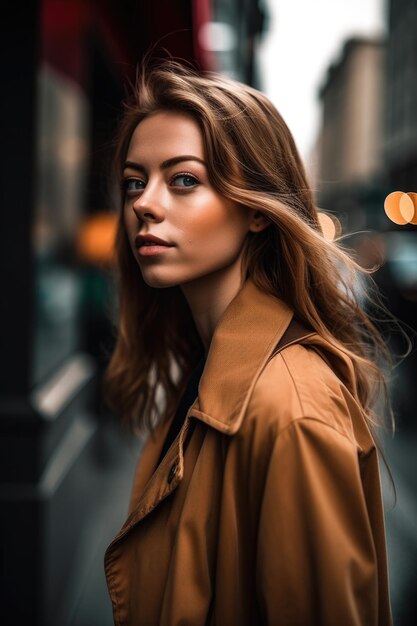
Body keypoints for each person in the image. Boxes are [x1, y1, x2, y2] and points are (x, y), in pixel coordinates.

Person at [103, 62, 393, 626]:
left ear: (256, 209)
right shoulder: (206, 369)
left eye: (183, 179)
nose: (144, 203)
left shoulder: (292, 410)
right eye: (135, 182)